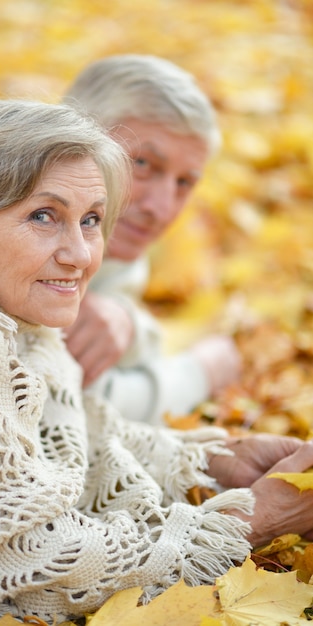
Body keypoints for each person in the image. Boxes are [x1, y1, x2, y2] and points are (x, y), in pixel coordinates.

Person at [0, 99, 313, 625]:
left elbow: (71, 434)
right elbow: (22, 561)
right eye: (43, 216)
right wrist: (252, 521)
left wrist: (214, 464)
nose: (79, 254)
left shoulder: (5, 303)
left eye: (90, 219)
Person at [62, 54, 242, 424]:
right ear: (71, 137)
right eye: (142, 164)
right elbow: (82, 413)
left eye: (184, 182)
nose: (160, 208)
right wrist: (203, 371)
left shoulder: (111, 237)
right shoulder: (10, 236)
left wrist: (127, 324)